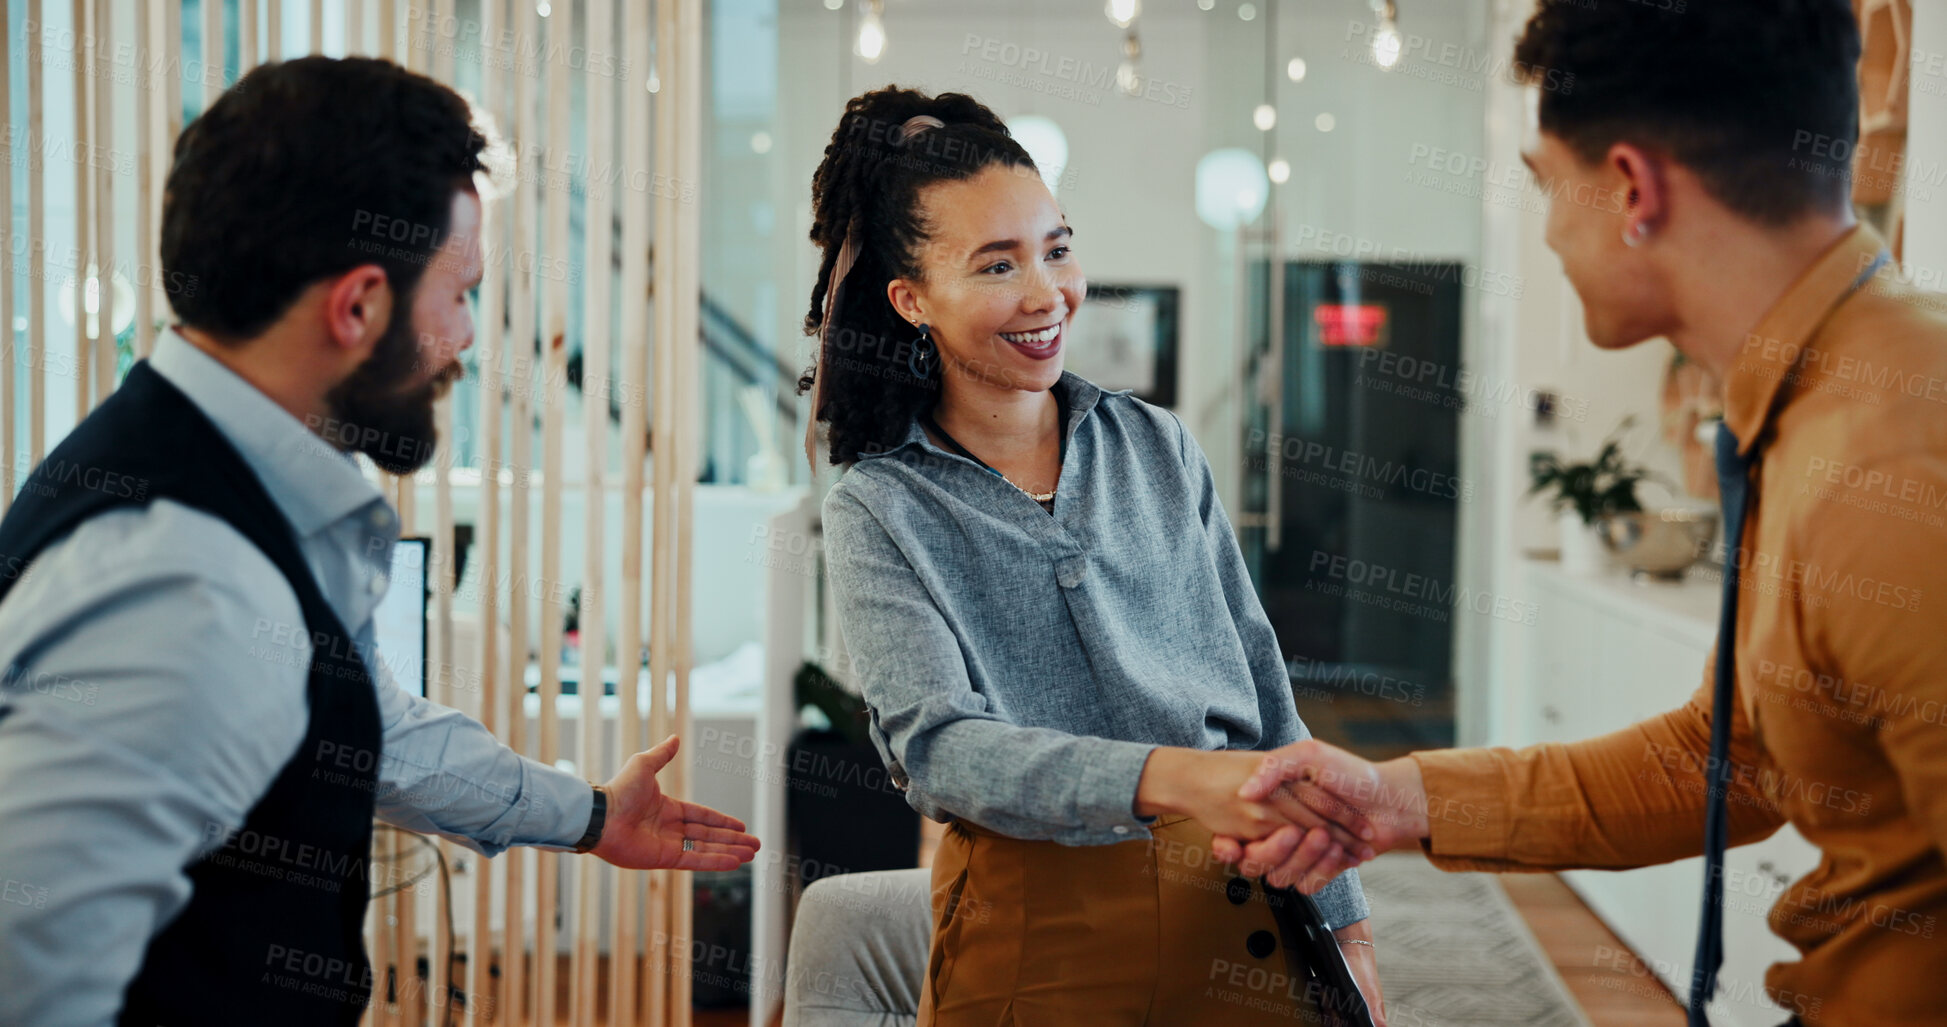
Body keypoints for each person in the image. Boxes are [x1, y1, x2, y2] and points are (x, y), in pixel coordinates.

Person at [1212, 3, 1946, 1025]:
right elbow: (1725, 757)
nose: (1550, 231)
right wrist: (1397, 799)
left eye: (1545, 184)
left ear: (1632, 188)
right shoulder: (1821, 401)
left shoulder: (1892, 461)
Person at [0, 57, 758, 1027]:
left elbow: (363, 729)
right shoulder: (186, 578)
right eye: (460, 292)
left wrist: (592, 813)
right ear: (358, 305)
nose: (469, 337)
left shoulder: (243, 491)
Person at [803, 87, 1382, 1026]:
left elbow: (1265, 692)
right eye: (997, 265)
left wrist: (1346, 927)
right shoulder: (881, 505)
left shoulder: (1155, 446)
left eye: (1056, 248)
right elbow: (942, 751)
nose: (1046, 295)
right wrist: (1180, 775)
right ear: (912, 300)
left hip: (1241, 914)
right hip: (1035, 933)